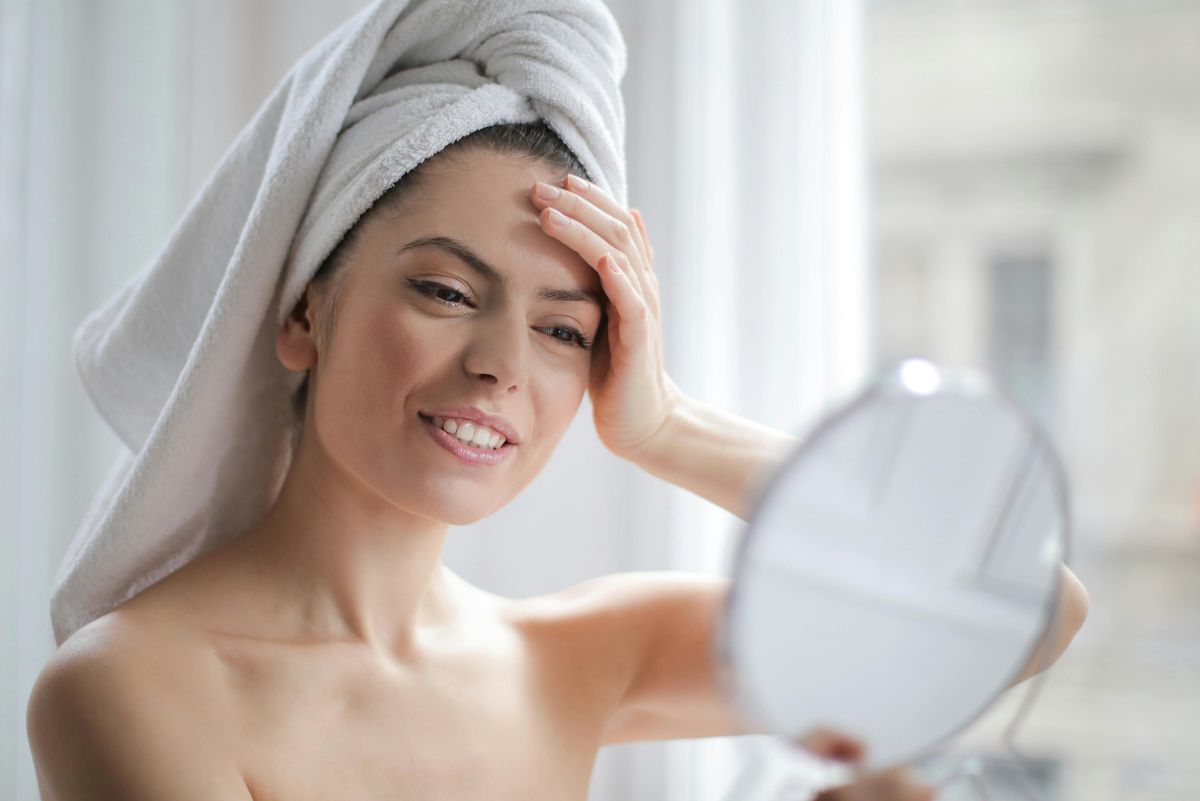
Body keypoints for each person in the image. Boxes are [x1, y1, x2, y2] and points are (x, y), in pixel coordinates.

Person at [25, 117, 1088, 801]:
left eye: (564, 331)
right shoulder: (130, 687)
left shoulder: (573, 658)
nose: (500, 366)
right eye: (446, 291)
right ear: (306, 311)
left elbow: (1031, 611)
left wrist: (666, 426)